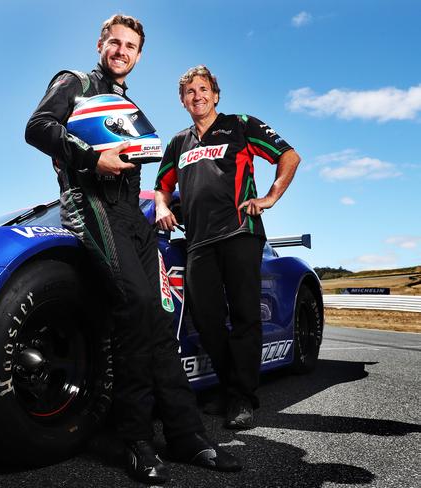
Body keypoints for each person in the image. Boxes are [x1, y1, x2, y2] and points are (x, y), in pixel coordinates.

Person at [26, 16, 240, 485]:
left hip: (133, 217)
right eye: (115, 42)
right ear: (100, 44)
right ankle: (136, 440)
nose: (122, 51)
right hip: (91, 205)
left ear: (139, 56)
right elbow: (37, 127)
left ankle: (188, 437)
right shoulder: (75, 82)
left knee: (160, 319)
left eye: (131, 46)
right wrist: (89, 156)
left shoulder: (128, 103)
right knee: (136, 306)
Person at [154, 65, 301, 430]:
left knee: (244, 316)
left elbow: (289, 156)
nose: (197, 96)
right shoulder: (178, 143)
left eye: (203, 89)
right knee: (205, 320)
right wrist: (160, 206)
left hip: (241, 232)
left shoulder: (241, 124)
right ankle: (227, 387)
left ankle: (242, 399)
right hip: (198, 241)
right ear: (182, 100)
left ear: (215, 94)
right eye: (190, 92)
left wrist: (270, 196)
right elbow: (162, 186)